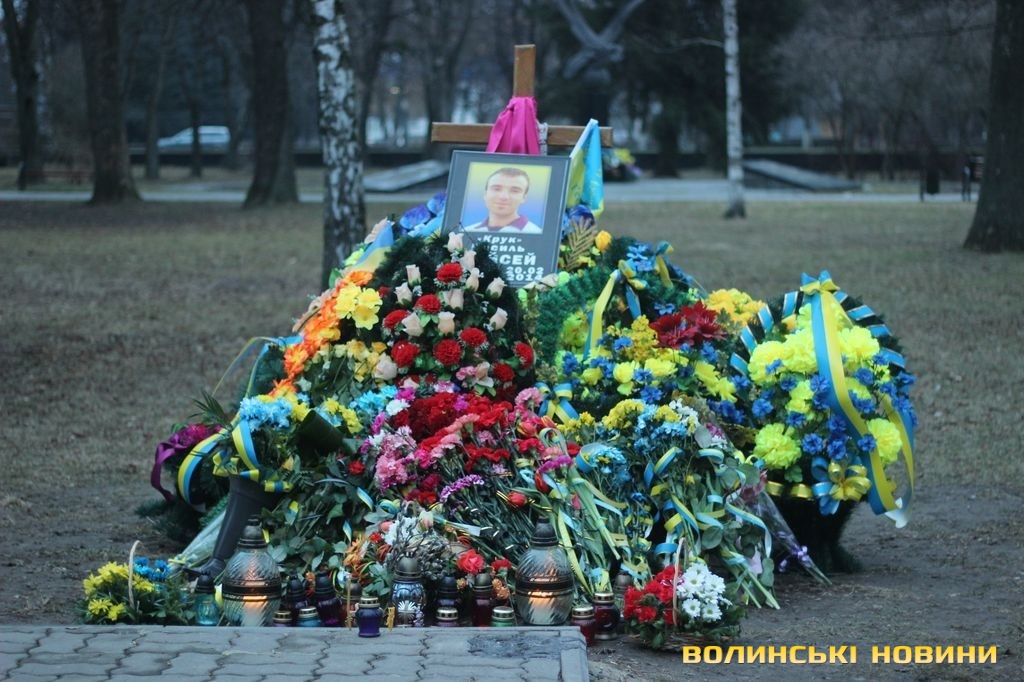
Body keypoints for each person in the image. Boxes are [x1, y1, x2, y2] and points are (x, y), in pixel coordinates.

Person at [465, 167, 542, 233]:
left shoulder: (536, 233)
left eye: (514, 191)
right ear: (485, 194)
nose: (503, 197)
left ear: (524, 198)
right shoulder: (467, 232)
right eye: (496, 189)